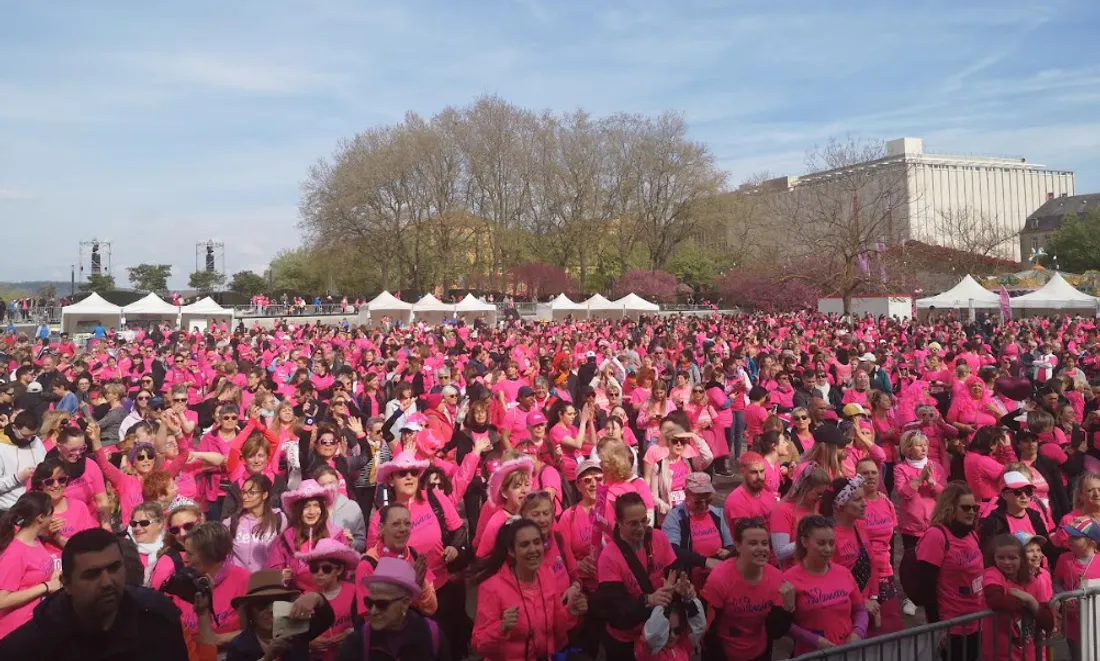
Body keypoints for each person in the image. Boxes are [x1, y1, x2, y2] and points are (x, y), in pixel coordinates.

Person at [0, 527, 189, 660]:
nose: (107, 582)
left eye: (114, 568)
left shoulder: (159, 619)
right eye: (92, 574)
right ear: (66, 583)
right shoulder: (28, 647)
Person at [471, 517, 587, 661]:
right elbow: (478, 644)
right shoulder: (492, 588)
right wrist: (501, 628)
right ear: (512, 551)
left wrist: (571, 612)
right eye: (525, 545)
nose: (533, 550)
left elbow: (557, 628)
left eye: (537, 542)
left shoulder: (547, 576)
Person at [594, 491, 680, 661]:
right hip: (626, 641)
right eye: (633, 524)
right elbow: (618, 613)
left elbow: (674, 572)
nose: (641, 528)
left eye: (643, 521)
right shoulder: (609, 557)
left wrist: (681, 588)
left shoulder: (658, 537)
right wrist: (648, 600)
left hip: (658, 632)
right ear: (618, 523)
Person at [700, 518, 794, 661]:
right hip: (723, 653)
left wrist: (787, 609)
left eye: (764, 543)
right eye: (753, 543)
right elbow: (708, 631)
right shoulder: (719, 579)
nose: (761, 549)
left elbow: (775, 632)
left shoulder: (777, 578)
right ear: (737, 546)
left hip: (759, 651)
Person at [913, 483, 983, 661]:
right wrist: (937, 628)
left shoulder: (972, 534)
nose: (971, 512)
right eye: (965, 507)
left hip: (976, 621)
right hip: (951, 626)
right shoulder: (936, 536)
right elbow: (926, 586)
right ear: (950, 507)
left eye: (974, 507)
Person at [334, 557, 451, 661]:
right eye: (369, 602)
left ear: (405, 603)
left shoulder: (431, 635)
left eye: (382, 604)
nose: (373, 611)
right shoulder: (358, 642)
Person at [784, 515, 866, 656]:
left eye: (831, 543)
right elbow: (785, 625)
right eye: (821, 543)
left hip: (846, 651)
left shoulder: (844, 573)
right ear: (804, 542)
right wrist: (814, 640)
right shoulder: (789, 579)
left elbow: (860, 610)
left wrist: (858, 633)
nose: (828, 549)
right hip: (811, 654)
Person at [224, 570, 335, 661]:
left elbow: (327, 619)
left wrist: (316, 597)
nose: (270, 610)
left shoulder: (297, 633)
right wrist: (267, 658)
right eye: (261, 604)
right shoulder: (239, 646)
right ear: (250, 611)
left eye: (277, 603)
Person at [173, 521, 251, 651]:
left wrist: (220, 639)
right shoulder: (182, 581)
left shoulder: (244, 580)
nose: (184, 558)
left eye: (190, 554)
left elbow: (260, 630)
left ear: (212, 555)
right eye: (185, 552)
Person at [981, 534, 1055, 661]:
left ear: (1021, 558)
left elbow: (1048, 622)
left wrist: (1029, 600)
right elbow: (996, 601)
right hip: (1001, 654)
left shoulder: (1033, 581)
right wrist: (1030, 607)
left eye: (1012, 558)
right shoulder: (993, 574)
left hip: (1030, 653)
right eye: (1001, 557)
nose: (1006, 562)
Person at [357, 503, 438, 617]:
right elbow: (369, 617)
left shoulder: (414, 555)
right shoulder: (368, 564)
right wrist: (411, 589)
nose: (403, 529)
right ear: (381, 528)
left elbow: (431, 608)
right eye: (396, 524)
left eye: (407, 523)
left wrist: (422, 586)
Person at [0, 491, 59, 638]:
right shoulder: (15, 553)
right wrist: (46, 587)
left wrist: (56, 577)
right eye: (50, 515)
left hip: (34, 625)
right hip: (15, 633)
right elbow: (1, 600)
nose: (53, 519)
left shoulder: (36, 540)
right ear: (40, 518)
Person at [660, 472, 732, 588]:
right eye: (698, 502)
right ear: (686, 494)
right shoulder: (675, 517)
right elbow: (672, 549)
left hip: (717, 578)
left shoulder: (717, 513)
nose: (703, 506)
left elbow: (730, 544)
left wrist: (728, 552)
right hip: (687, 581)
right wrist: (704, 561)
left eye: (708, 501)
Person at [294, 538, 359, 660]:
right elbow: (296, 637)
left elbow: (365, 626)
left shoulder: (353, 592)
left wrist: (350, 634)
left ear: (339, 570)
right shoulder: (305, 599)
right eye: (314, 568)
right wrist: (308, 643)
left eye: (326, 568)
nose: (319, 573)